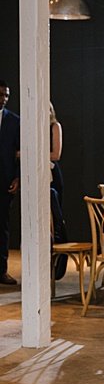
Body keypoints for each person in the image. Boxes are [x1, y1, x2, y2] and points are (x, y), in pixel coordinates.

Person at [0, 80, 19, 285]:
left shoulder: (14, 121)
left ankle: (2, 270)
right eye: (0, 95)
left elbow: (20, 153)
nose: (3, 99)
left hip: (5, 181)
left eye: (6, 95)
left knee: (3, 225)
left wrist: (18, 177)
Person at [49, 101, 67, 280]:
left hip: (52, 173)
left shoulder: (55, 126)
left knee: (55, 220)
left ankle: (58, 261)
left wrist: (29, 153)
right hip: (35, 173)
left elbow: (56, 155)